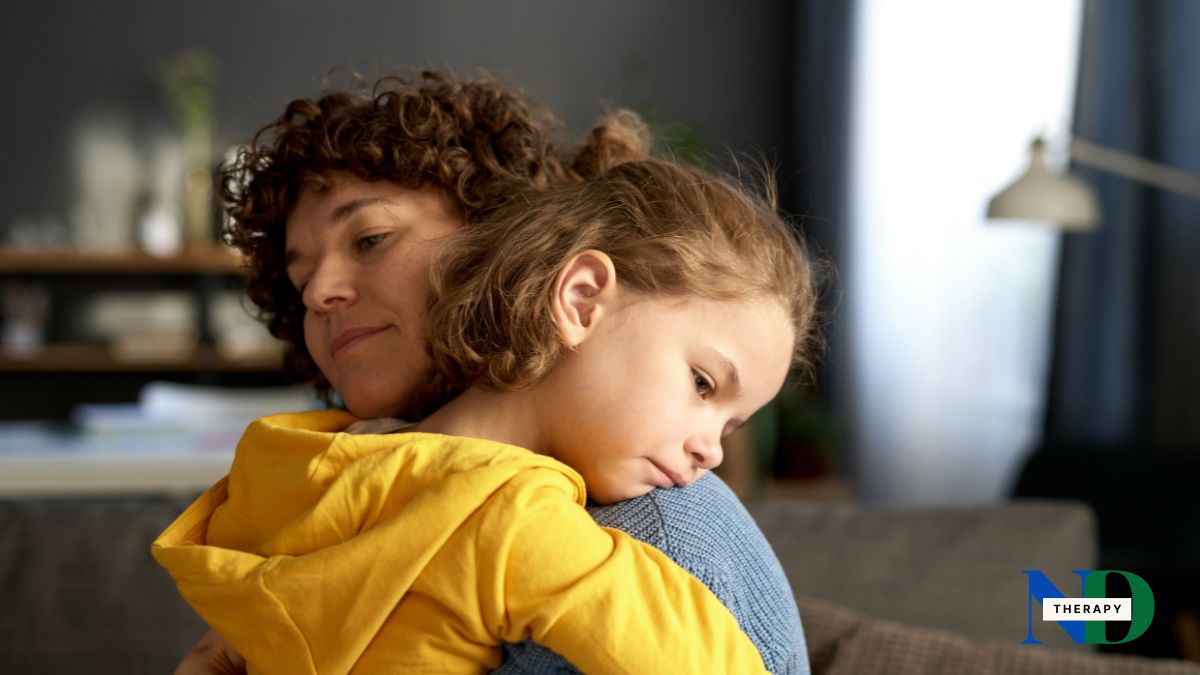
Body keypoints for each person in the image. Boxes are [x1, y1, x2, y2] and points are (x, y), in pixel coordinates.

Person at [173, 71, 811, 674]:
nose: (318, 294)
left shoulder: (653, 527)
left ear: (494, 232)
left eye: (371, 239)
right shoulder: (495, 511)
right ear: (579, 299)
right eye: (301, 277)